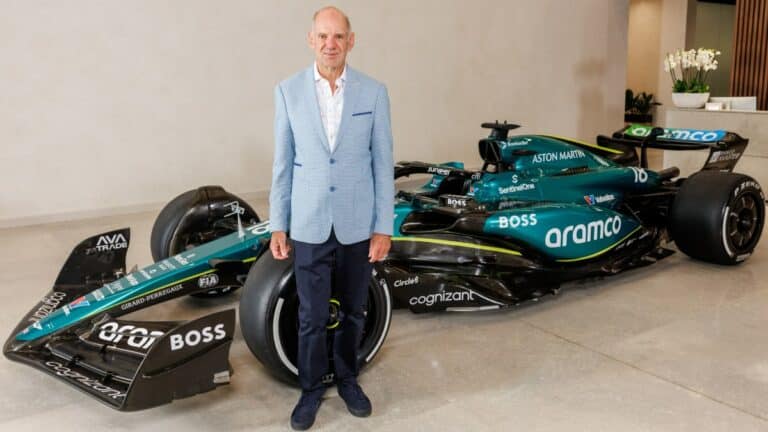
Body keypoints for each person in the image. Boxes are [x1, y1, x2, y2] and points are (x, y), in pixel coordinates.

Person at [268, 6, 394, 431]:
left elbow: (382, 164)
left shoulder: (374, 93)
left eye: (338, 36)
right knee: (312, 316)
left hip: (358, 223)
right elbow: (283, 164)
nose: (330, 44)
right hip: (309, 221)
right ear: (311, 40)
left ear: (351, 40)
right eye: (323, 36)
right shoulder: (288, 92)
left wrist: (383, 226)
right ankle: (310, 390)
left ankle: (348, 379)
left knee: (354, 311)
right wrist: (278, 223)